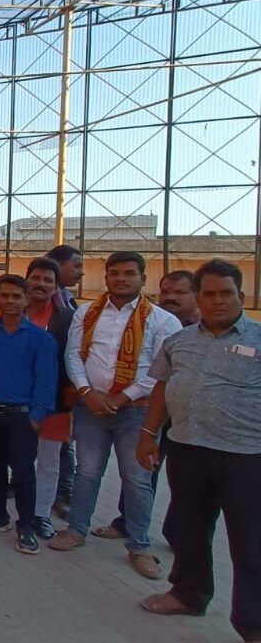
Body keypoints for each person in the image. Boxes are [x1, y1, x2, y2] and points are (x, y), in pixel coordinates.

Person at [137, 259, 261, 641]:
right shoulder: (179, 341)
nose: (218, 301)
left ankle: (253, 623)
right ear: (198, 298)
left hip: (246, 457)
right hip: (187, 450)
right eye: (210, 294)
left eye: (227, 293)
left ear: (241, 296)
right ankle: (188, 594)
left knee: (250, 541)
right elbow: (162, 386)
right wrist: (148, 434)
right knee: (186, 529)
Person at [49, 252, 181, 581]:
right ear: (106, 277)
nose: (121, 279)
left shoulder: (163, 321)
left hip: (137, 411)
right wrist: (87, 393)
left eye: (129, 273)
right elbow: (73, 355)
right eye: (115, 273)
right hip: (90, 408)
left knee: (136, 478)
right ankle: (76, 530)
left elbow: (160, 371)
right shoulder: (86, 313)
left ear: (143, 279)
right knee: (87, 472)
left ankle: (139, 546)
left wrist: (121, 397)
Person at [100, 270, 201, 540]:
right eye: (166, 291)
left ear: (197, 294)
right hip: (152, 412)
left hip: (190, 419)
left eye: (180, 292)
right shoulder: (151, 321)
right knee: (142, 469)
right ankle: (127, 523)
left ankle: (182, 534)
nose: (170, 297)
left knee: (187, 478)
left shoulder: (205, 329)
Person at [0, 274, 58, 555]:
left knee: (23, 471)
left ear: (26, 300)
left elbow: (46, 380)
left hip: (23, 415)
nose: (10, 301)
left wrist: (38, 415)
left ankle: (26, 525)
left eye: (16, 296)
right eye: (4, 295)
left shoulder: (41, 339)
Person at [21, 257, 76, 541]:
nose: (40, 284)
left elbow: (74, 360)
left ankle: (40, 514)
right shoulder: (12, 311)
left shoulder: (68, 319)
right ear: (27, 280)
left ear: (56, 287)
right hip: (16, 401)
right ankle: (11, 511)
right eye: (36, 278)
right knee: (16, 458)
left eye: (47, 280)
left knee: (49, 461)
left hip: (55, 403)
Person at [45, 243, 84, 514]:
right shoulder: (34, 305)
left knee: (61, 443)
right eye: (76, 266)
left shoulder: (68, 303)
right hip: (33, 389)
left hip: (60, 390)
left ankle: (62, 492)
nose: (81, 272)